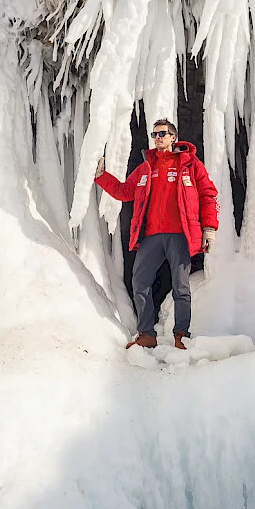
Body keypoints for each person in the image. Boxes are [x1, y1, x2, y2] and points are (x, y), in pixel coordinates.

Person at [94, 118, 220, 350]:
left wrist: (209, 228)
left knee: (181, 287)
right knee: (140, 283)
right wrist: (101, 176)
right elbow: (124, 192)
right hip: (151, 236)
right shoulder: (145, 168)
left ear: (173, 137)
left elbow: (208, 195)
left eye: (163, 133)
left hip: (180, 235)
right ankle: (146, 334)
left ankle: (181, 334)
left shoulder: (191, 165)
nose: (158, 138)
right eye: (155, 135)